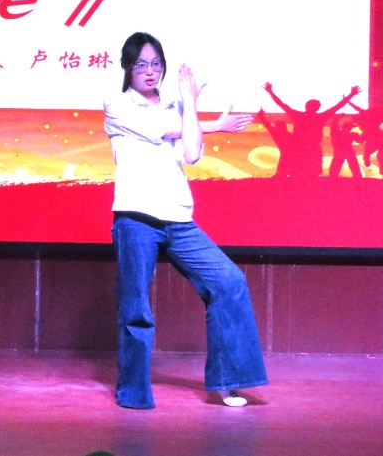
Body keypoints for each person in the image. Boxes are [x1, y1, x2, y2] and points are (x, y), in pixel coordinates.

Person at [103, 31, 267, 409]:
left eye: (156, 64)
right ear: (127, 67)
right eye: (141, 65)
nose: (150, 71)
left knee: (229, 281)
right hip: (136, 216)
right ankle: (133, 392)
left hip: (177, 216)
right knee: (135, 306)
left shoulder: (175, 105)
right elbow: (168, 129)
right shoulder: (118, 104)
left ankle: (227, 381)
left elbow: (191, 153)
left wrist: (192, 107)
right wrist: (205, 118)